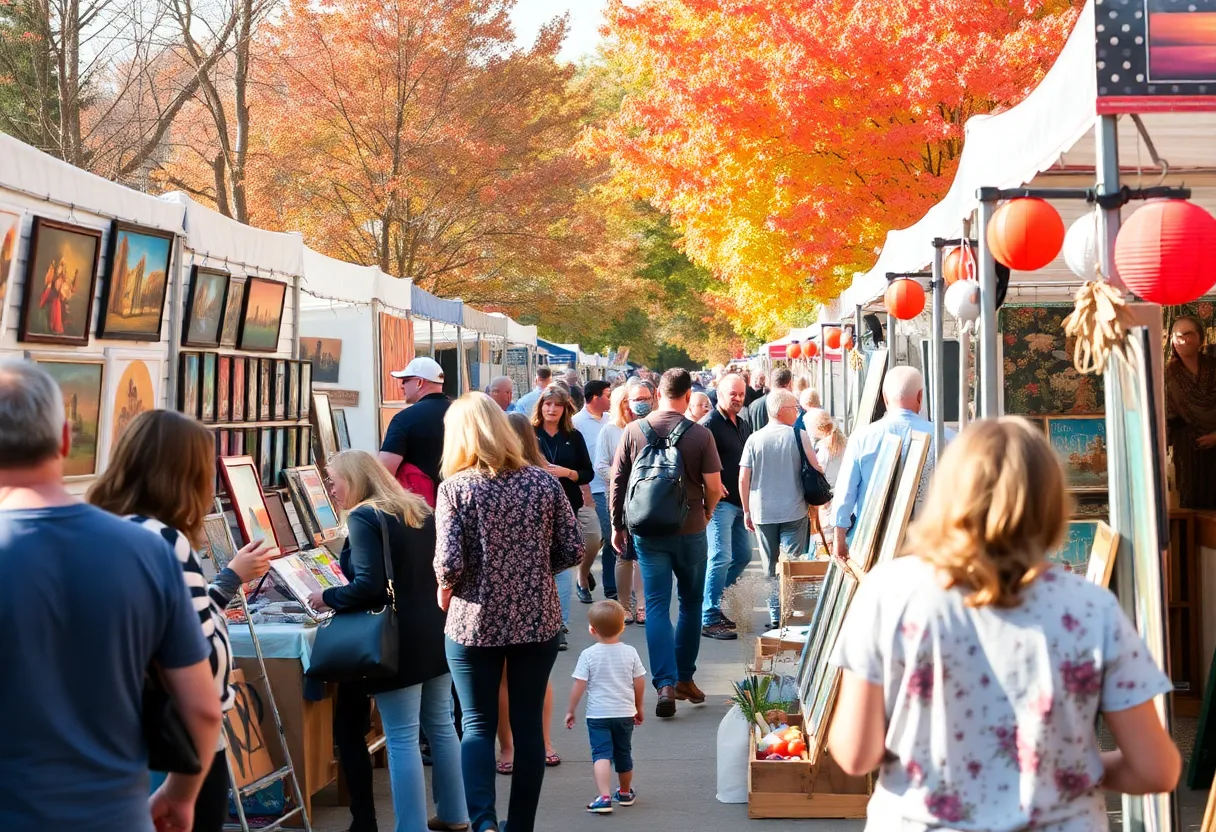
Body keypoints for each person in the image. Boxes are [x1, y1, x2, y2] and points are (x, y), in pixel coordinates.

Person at [827, 418, 1181, 830]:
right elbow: (1156, 769)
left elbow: (855, 753)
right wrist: (1068, 771)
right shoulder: (1091, 607)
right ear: (1050, 503)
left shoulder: (889, 591)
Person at [0, 361, 221, 832]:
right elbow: (203, 708)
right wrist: (181, 797)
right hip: (116, 814)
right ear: (64, 439)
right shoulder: (148, 551)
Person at [87, 410, 276, 832]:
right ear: (184, 475)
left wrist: (227, 581)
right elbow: (202, 660)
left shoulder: (109, 531)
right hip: (174, 745)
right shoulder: (164, 540)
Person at [435, 393, 584, 832]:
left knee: (477, 724)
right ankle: (520, 825)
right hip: (536, 617)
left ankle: (483, 823)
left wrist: (447, 584)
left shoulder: (456, 488)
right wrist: (532, 570)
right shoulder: (543, 482)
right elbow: (573, 549)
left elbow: (449, 563)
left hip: (474, 619)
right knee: (528, 726)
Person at [308, 450, 466, 832]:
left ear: (355, 479)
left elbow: (369, 585)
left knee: (402, 736)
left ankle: (411, 826)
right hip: (435, 630)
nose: (330, 488)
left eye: (333, 480)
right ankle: (455, 814)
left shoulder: (365, 516)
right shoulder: (418, 509)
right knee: (441, 726)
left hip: (398, 640)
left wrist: (325, 597)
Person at [610, 368, 724, 718]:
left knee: (657, 605)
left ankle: (664, 684)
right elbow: (714, 486)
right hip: (690, 529)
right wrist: (706, 512)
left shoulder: (633, 431)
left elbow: (618, 480)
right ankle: (684, 677)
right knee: (691, 603)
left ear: (658, 393)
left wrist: (617, 525)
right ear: (688, 396)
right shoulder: (700, 434)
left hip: (647, 530)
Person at [500, 412, 567, 770]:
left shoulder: (480, 481)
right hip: (537, 594)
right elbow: (570, 546)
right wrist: (543, 569)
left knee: (503, 678)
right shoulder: (545, 482)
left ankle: (508, 749)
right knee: (539, 677)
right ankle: (543, 742)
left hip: (494, 597)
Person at [831, 366, 951, 562]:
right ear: (920, 396)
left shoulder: (862, 438)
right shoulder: (946, 437)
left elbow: (845, 493)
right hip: (929, 543)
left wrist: (839, 539)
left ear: (884, 398)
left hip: (872, 542)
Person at [739, 390, 817, 627]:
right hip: (794, 509)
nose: (798, 412)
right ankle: (789, 611)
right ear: (782, 410)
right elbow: (816, 468)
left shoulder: (754, 439)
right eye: (795, 408)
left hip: (763, 512)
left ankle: (775, 614)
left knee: (770, 566)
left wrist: (746, 510)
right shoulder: (799, 436)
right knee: (791, 564)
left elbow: (743, 478)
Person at [564, 600, 646, 815]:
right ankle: (625, 792)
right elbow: (639, 682)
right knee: (623, 752)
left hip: (598, 715)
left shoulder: (588, 655)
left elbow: (579, 685)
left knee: (601, 754)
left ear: (592, 630)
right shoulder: (630, 652)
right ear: (622, 627)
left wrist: (571, 710)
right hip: (625, 713)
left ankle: (604, 797)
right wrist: (639, 706)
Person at [533, 386, 599, 623]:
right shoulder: (529, 434)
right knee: (539, 564)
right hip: (534, 506)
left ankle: (561, 623)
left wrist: (567, 473)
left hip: (567, 505)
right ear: (541, 407)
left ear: (565, 409)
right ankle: (540, 617)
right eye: (548, 404)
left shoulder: (574, 436)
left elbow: (587, 473)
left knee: (561, 565)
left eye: (557, 405)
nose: (552, 409)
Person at [698, 373, 751, 641]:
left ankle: (714, 601)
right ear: (719, 394)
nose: (738, 399)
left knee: (743, 556)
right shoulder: (708, 424)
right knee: (720, 556)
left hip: (740, 503)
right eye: (733, 394)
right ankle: (709, 616)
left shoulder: (742, 423)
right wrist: (711, 484)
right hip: (719, 504)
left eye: (741, 394)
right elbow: (692, 459)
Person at [594, 381, 651, 625]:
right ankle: (624, 604)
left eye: (636, 400)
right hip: (620, 497)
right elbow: (600, 465)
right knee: (624, 554)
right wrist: (622, 479)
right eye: (627, 401)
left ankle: (642, 604)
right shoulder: (610, 431)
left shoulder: (648, 427)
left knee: (643, 554)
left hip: (645, 497)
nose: (631, 406)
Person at [380, 356, 451, 505]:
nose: (402, 386)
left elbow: (383, 472)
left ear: (419, 382)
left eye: (405, 380)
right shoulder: (464, 414)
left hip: (422, 509)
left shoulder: (404, 419)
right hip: (463, 505)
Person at [1165, 314, 1216, 509]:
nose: (1183, 340)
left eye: (1189, 334)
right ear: (1172, 341)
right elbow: (1167, 418)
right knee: (1192, 511)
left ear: (1200, 338)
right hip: (1188, 454)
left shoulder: (1213, 367)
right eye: (1178, 336)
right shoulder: (1168, 375)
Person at [574, 379, 617, 603]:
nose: (611, 399)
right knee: (597, 538)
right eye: (608, 394)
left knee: (609, 539)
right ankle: (582, 576)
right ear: (594, 397)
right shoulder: (576, 423)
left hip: (613, 488)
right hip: (591, 489)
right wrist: (584, 490)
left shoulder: (612, 420)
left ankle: (611, 587)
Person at [807, 408, 847, 548]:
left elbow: (820, 470)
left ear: (818, 428)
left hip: (828, 496)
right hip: (843, 492)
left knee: (827, 538)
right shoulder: (843, 441)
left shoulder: (824, 447)